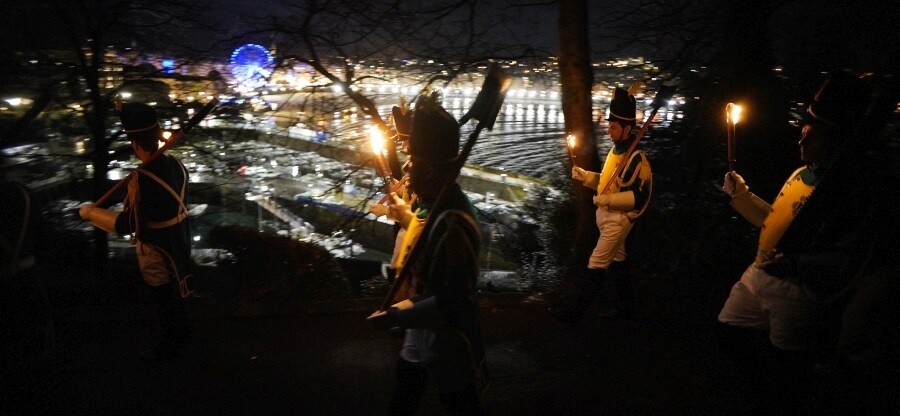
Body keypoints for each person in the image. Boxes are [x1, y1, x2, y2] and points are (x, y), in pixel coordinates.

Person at [715, 72, 882, 412]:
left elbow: (851, 257)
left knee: (789, 369)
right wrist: (741, 195)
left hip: (795, 289)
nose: (802, 137)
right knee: (729, 331)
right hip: (758, 273)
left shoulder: (848, 193)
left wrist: (797, 265)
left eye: (813, 132)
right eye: (806, 127)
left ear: (837, 140)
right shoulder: (799, 175)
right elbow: (775, 222)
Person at [367, 96, 486, 415]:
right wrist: (406, 216)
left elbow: (452, 299)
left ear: (430, 169)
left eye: (412, 161)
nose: (405, 167)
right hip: (421, 330)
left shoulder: (452, 222)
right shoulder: (435, 205)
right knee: (405, 393)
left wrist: (397, 315)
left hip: (446, 338)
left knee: (459, 403)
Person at [79, 102, 193, 361]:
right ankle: (182, 335)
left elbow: (129, 225)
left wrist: (91, 214)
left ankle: (171, 345)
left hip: (155, 245)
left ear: (135, 144)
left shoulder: (141, 178)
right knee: (173, 296)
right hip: (179, 238)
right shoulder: (176, 164)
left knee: (163, 297)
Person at [552, 86, 652, 323]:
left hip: (618, 220)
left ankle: (572, 314)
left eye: (614, 126)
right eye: (609, 125)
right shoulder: (614, 153)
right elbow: (606, 183)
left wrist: (607, 200)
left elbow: (639, 197)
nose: (609, 130)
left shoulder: (637, 159)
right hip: (606, 215)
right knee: (619, 261)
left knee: (596, 263)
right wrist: (586, 176)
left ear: (627, 128)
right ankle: (627, 311)